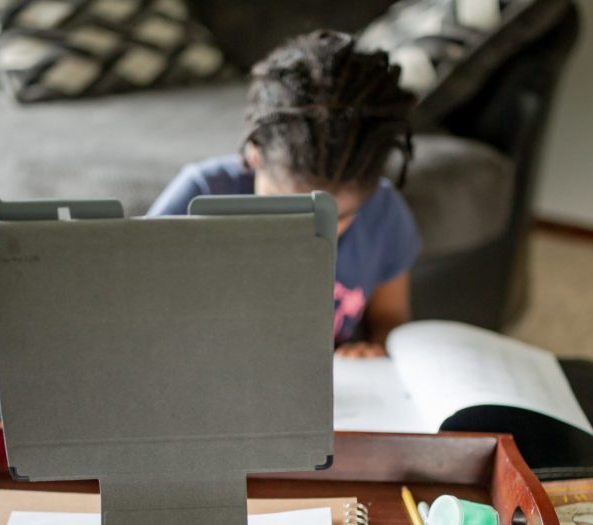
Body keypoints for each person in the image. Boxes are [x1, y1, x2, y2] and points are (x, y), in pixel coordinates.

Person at [148, 30, 421, 357]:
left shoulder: (384, 213)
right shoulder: (200, 194)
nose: (308, 233)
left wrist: (375, 349)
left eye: (336, 218)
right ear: (253, 155)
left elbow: (389, 319)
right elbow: (135, 305)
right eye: (287, 210)